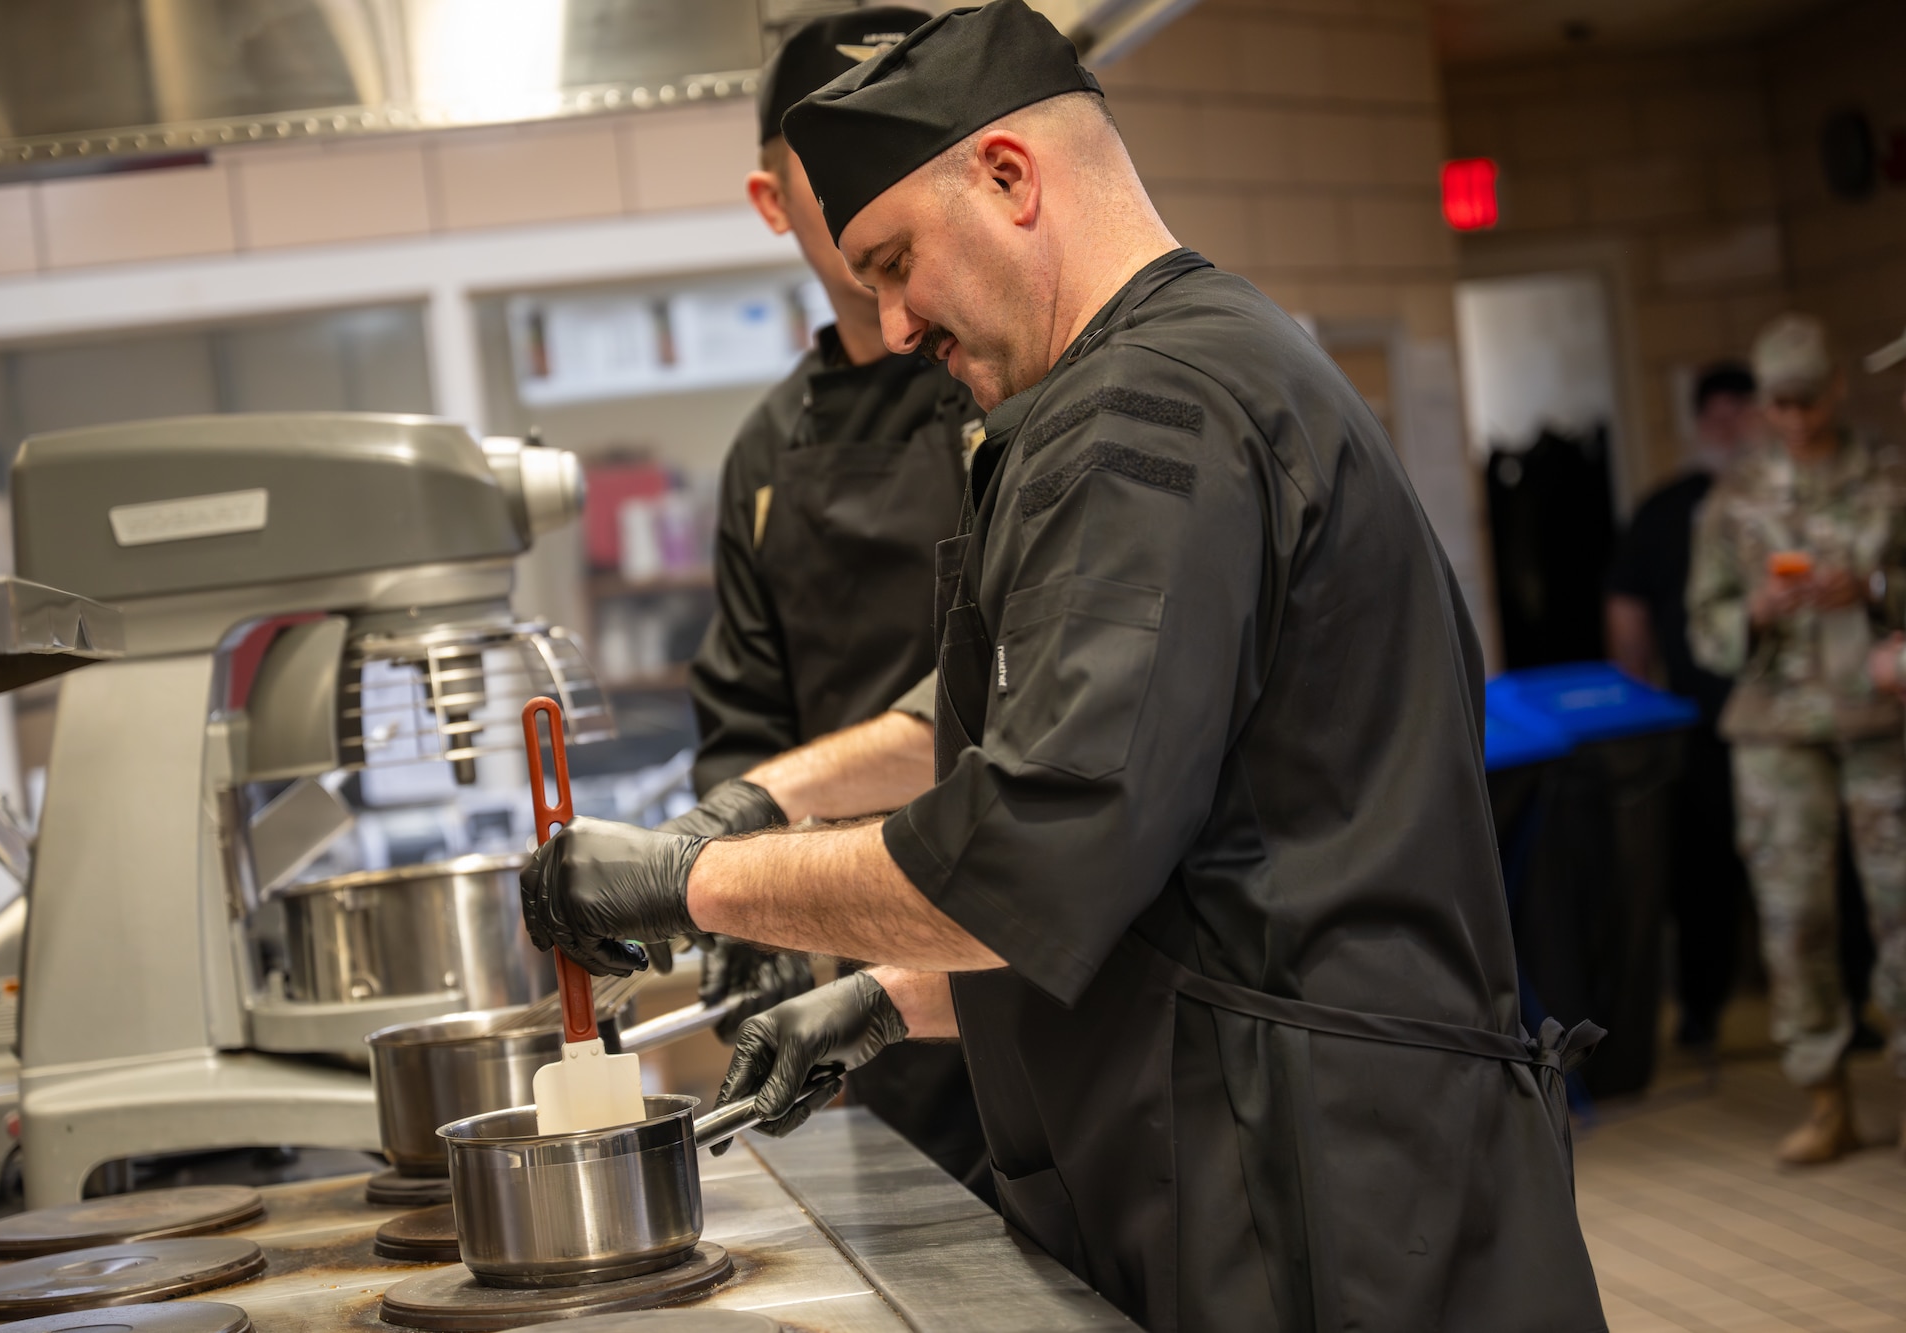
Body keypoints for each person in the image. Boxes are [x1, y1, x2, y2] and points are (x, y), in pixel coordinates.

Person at [520, 4, 1606, 1329]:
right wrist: (889, 1001)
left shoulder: (1145, 418)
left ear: (1012, 178)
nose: (897, 322)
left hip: (1325, 1208)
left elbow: (1030, 856)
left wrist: (694, 878)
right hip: (1305, 1162)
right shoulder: (1197, 372)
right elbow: (1181, 869)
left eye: (897, 260)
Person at [655, 8, 992, 1197]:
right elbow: (743, 713)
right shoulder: (766, 454)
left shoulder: (1020, 394)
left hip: (1037, 938)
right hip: (860, 992)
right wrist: (756, 928)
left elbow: (1009, 688)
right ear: (770, 201)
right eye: (830, 165)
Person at [1687, 313, 1906, 1165]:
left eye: (1811, 400)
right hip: (1777, 729)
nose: (1800, 418)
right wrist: (1756, 612)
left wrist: (1879, 585)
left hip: (1879, 721)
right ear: (1763, 408)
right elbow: (1702, 621)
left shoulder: (1887, 479)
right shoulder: (1733, 500)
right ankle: (1826, 1098)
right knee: (1795, 917)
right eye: (1782, 404)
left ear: (1837, 390)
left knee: (1901, 908)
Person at [1606, 362, 1759, 1050]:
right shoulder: (1667, 510)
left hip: (1786, 715)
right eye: (1717, 413)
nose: (1731, 425)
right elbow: (1627, 607)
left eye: (1743, 411)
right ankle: (1702, 1006)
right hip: (1696, 719)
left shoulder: (1779, 500)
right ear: (1700, 421)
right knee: (1703, 876)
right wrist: (1639, 701)